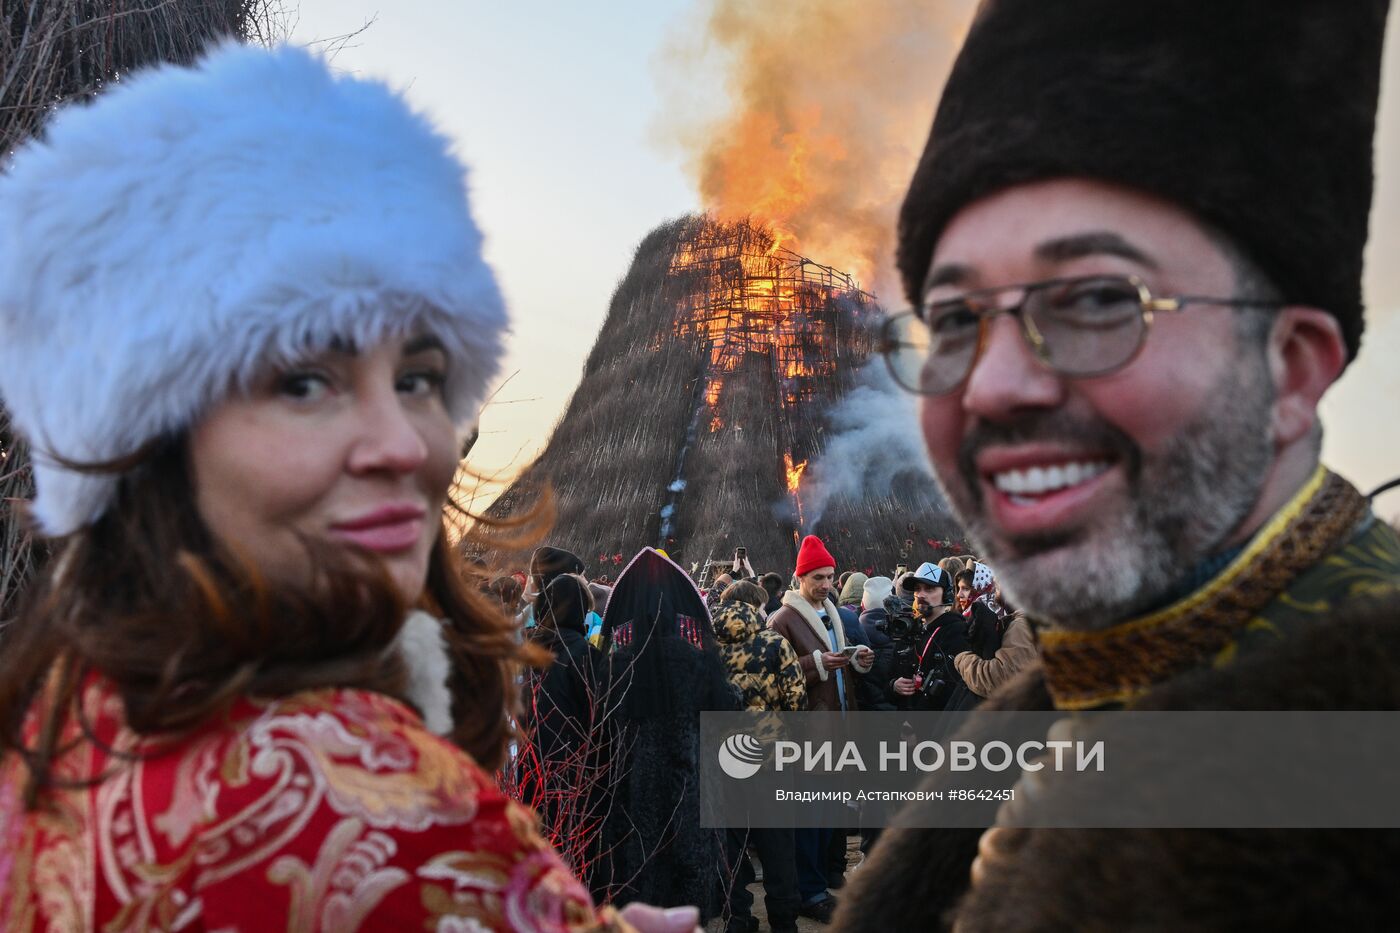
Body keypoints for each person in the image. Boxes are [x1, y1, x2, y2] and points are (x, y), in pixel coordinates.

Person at [0, 43, 710, 933]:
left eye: (417, 377)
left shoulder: (68, 725)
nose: (404, 445)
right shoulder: (384, 814)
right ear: (147, 434)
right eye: (304, 380)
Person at [837, 3, 1400, 930]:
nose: (994, 384)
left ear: (1290, 367)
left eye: (1098, 298)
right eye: (951, 319)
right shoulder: (1057, 717)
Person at [598, 548, 739, 924]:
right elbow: (727, 714)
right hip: (690, 789)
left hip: (633, 796)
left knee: (641, 886)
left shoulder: (615, 666)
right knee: (690, 885)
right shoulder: (696, 660)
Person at [767, 535, 874, 922]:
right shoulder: (783, 620)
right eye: (818, 578)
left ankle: (821, 881)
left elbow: (836, 667)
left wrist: (857, 659)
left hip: (836, 727)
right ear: (801, 578)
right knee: (810, 818)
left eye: (829, 576)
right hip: (807, 733)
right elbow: (775, 675)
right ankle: (808, 893)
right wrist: (817, 663)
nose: (826, 584)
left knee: (828, 813)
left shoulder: (830, 612)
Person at [712, 580, 805, 933]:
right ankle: (783, 921)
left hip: (724, 760)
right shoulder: (773, 644)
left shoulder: (707, 647)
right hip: (770, 761)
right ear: (756, 605)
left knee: (730, 847)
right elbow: (796, 699)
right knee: (778, 845)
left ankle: (738, 919)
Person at [520, 574, 609, 884]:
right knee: (575, 861)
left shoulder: (526, 651)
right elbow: (597, 721)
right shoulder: (585, 656)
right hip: (574, 774)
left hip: (530, 769)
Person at [887, 563, 968, 711]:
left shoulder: (958, 631)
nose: (921, 594)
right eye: (917, 589)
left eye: (929, 589)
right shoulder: (910, 629)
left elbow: (953, 693)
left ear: (946, 594)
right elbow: (889, 677)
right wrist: (894, 685)